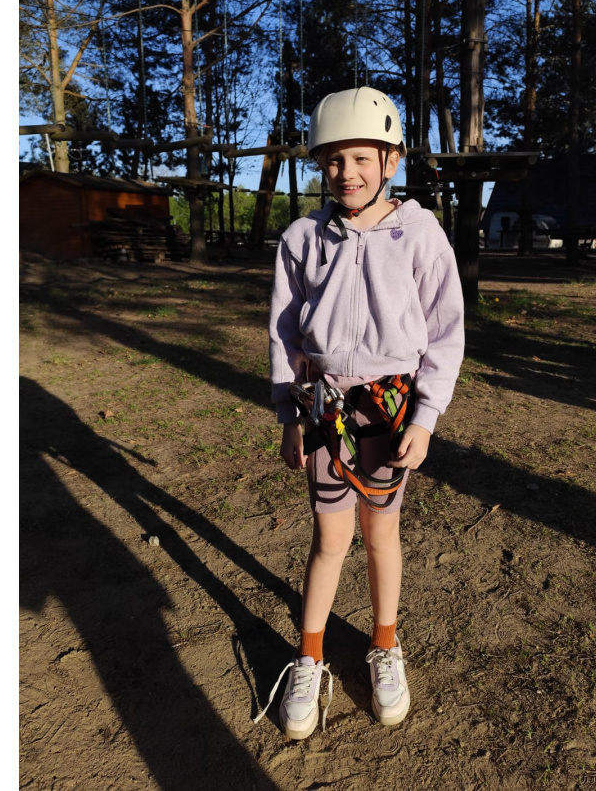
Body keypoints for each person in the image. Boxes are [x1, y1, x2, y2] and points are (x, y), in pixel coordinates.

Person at [256, 87, 465, 739]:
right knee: (329, 539)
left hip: (387, 411)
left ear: (390, 160)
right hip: (323, 409)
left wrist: (425, 418)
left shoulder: (420, 236)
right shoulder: (302, 238)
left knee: (381, 535)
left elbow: (446, 332)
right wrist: (288, 414)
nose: (346, 172)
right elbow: (284, 333)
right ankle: (309, 657)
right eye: (333, 159)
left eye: (361, 158)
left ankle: (384, 645)